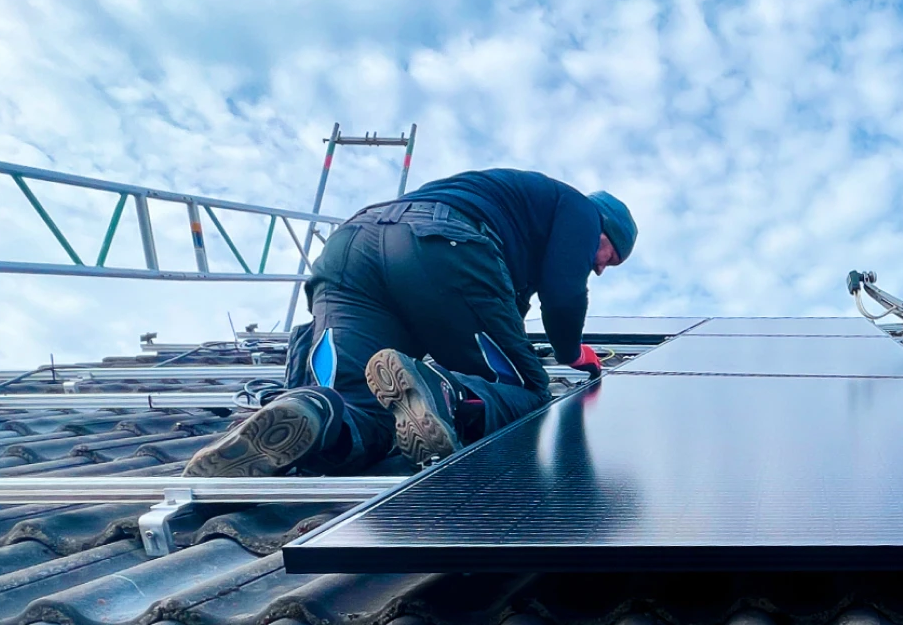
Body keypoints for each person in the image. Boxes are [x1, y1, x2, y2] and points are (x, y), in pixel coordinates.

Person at [187, 169, 635, 477]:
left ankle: (312, 415)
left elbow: (496, 318)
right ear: (604, 228)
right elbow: (563, 293)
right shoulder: (580, 208)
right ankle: (448, 393)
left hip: (350, 251)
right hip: (439, 245)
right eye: (607, 257)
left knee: (367, 409)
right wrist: (571, 352)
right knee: (531, 392)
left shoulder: (520, 228)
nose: (598, 269)